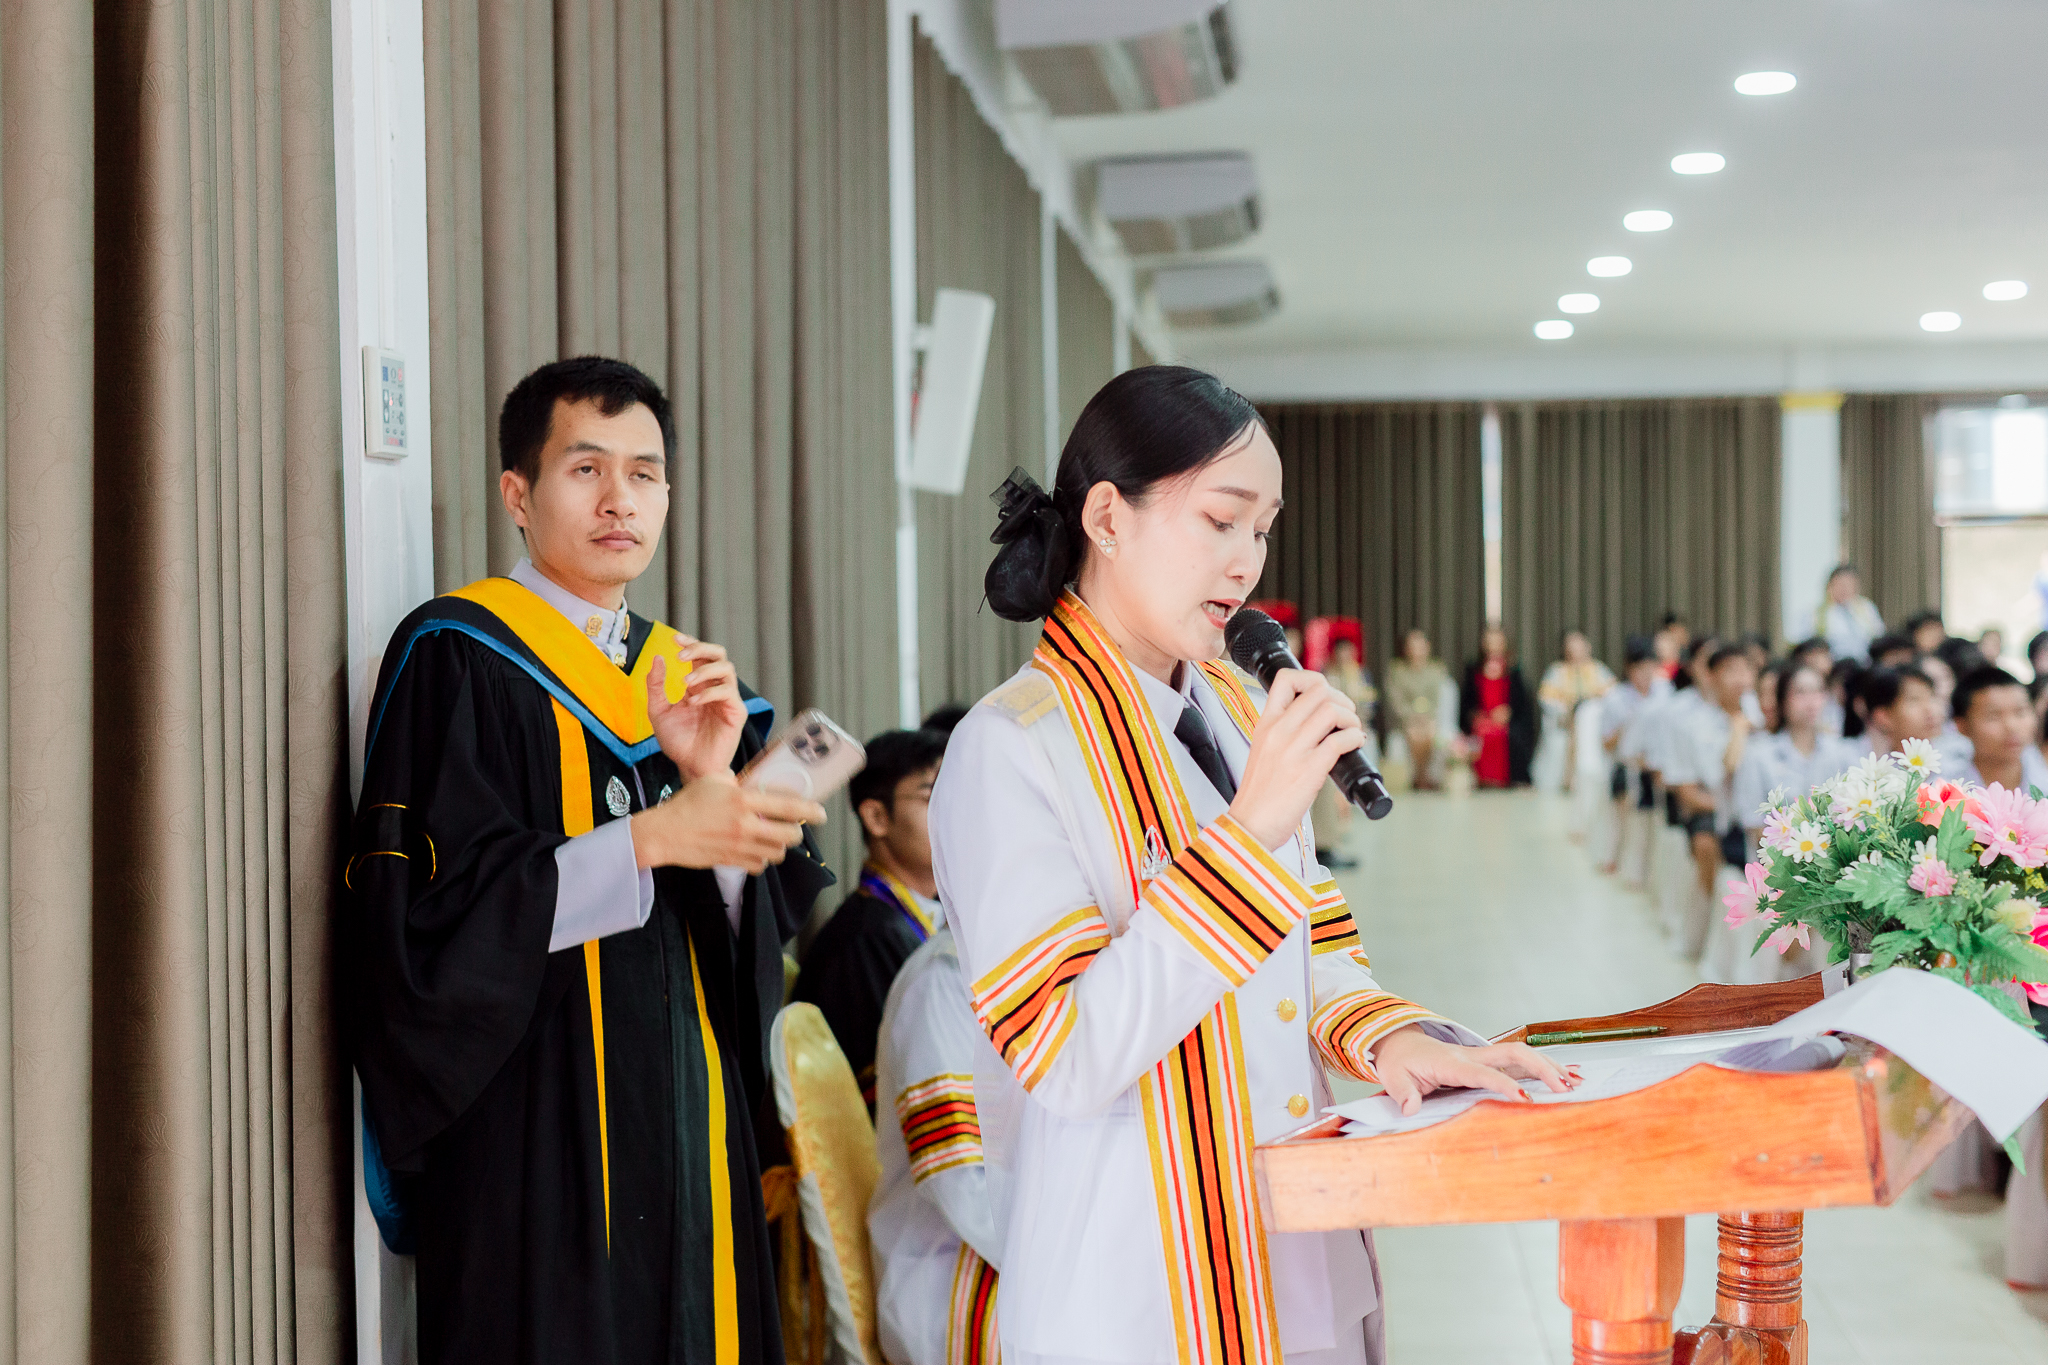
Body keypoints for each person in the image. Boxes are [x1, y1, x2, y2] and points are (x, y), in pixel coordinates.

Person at [938, 366, 1574, 1365]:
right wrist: (1248, 835)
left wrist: (1394, 1039)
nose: (1246, 562)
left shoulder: (1238, 709)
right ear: (1106, 517)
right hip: (1138, 1287)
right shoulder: (1011, 747)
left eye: (1263, 529)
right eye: (1219, 520)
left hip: (1292, 1249)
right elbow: (1064, 1054)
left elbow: (1314, 947)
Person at [344, 357, 834, 1365]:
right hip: (533, 1136)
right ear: (517, 494)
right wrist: (650, 838)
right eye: (586, 469)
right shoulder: (456, 656)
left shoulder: (692, 682)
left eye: (645, 474)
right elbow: (428, 923)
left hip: (691, 1122)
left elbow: (753, 945)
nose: (621, 500)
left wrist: (719, 800)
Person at [868, 908, 1008, 1365]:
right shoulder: (943, 982)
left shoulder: (1021, 969)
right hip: (948, 1275)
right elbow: (960, 1184)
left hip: (1006, 1250)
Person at [793, 727, 948, 1107]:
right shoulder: (864, 941)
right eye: (933, 796)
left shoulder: (904, 924)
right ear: (877, 817)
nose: (956, 811)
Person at [1665, 644, 1757, 901]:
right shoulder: (1694, 725)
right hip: (1714, 809)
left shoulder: (1764, 716)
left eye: (1746, 670)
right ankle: (1711, 904)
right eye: (1730, 671)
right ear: (1711, 677)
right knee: (1707, 841)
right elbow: (1690, 792)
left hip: (1759, 811)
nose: (1740, 679)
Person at [1734, 664, 1854, 854]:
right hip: (1780, 862)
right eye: (1800, 692)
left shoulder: (1841, 752)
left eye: (1817, 691)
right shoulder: (1758, 755)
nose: (1811, 701)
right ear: (1782, 699)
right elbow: (1754, 825)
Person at [1599, 636, 1669, 876]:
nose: (1646, 674)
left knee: (1653, 824)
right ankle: (1617, 860)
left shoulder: (1664, 693)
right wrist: (1628, 726)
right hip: (1626, 766)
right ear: (1629, 669)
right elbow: (1606, 743)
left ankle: (1648, 871)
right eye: (1640, 668)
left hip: (1656, 766)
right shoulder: (1616, 698)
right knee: (1625, 821)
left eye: (1651, 667)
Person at [1538, 629, 1616, 791]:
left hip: (1592, 725)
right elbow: (1547, 698)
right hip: (1565, 723)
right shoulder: (1557, 670)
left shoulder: (1598, 669)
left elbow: (1613, 696)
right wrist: (1567, 709)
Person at [1461, 624, 1538, 788]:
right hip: (1482, 719)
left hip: (1506, 721)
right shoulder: (1473, 670)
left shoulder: (1514, 671)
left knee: (1510, 735)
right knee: (1482, 733)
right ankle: (1483, 781)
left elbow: (1522, 704)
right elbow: (1467, 703)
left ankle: (1511, 779)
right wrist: (1476, 715)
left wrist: (1508, 712)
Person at [1951, 666, 2048, 793]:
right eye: (1993, 716)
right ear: (1961, 725)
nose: (2011, 726)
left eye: (2020, 712)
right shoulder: (1946, 792)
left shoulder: (2043, 780)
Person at [1386, 628, 1451, 790]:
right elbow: (1396, 700)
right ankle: (1421, 777)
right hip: (1406, 720)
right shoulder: (1397, 670)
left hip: (1430, 717)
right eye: (1412, 646)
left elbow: (1437, 699)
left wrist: (1426, 716)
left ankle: (1422, 776)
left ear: (1427, 647)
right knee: (1414, 732)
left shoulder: (1436, 669)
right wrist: (1412, 716)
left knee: (1429, 732)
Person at [1845, 664, 1944, 758]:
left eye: (1932, 697)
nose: (1930, 709)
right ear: (1883, 716)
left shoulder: (1952, 759)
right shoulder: (1878, 769)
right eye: (1914, 700)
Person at [1818, 564, 1885, 662]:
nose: (1844, 589)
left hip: (1866, 663)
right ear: (1829, 586)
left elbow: (1879, 635)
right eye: (1840, 584)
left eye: (1849, 585)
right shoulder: (1817, 614)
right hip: (1834, 663)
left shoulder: (1866, 607)